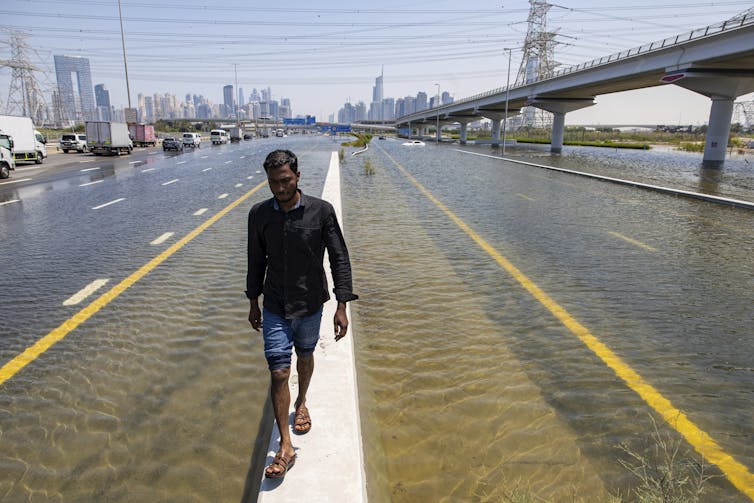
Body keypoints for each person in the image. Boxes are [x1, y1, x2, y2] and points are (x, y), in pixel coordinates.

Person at [246, 149, 358, 479]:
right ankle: (285, 445)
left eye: (285, 181)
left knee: (305, 355)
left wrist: (341, 305)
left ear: (297, 176)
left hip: (310, 305)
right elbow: (255, 261)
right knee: (279, 371)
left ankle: (302, 401)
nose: (279, 189)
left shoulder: (321, 212)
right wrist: (253, 301)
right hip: (277, 305)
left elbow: (339, 258)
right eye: (272, 183)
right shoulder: (259, 214)